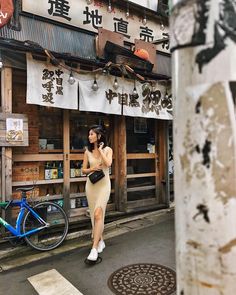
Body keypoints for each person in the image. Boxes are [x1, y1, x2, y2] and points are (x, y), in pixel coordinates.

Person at [82, 125, 113, 261]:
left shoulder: (107, 149)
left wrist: (100, 150)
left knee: (98, 213)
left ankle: (94, 249)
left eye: (92, 134)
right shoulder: (87, 152)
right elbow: (83, 170)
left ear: (99, 136)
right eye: (89, 134)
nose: (89, 136)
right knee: (95, 216)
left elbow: (108, 164)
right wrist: (92, 168)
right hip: (91, 186)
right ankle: (100, 240)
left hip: (104, 186)